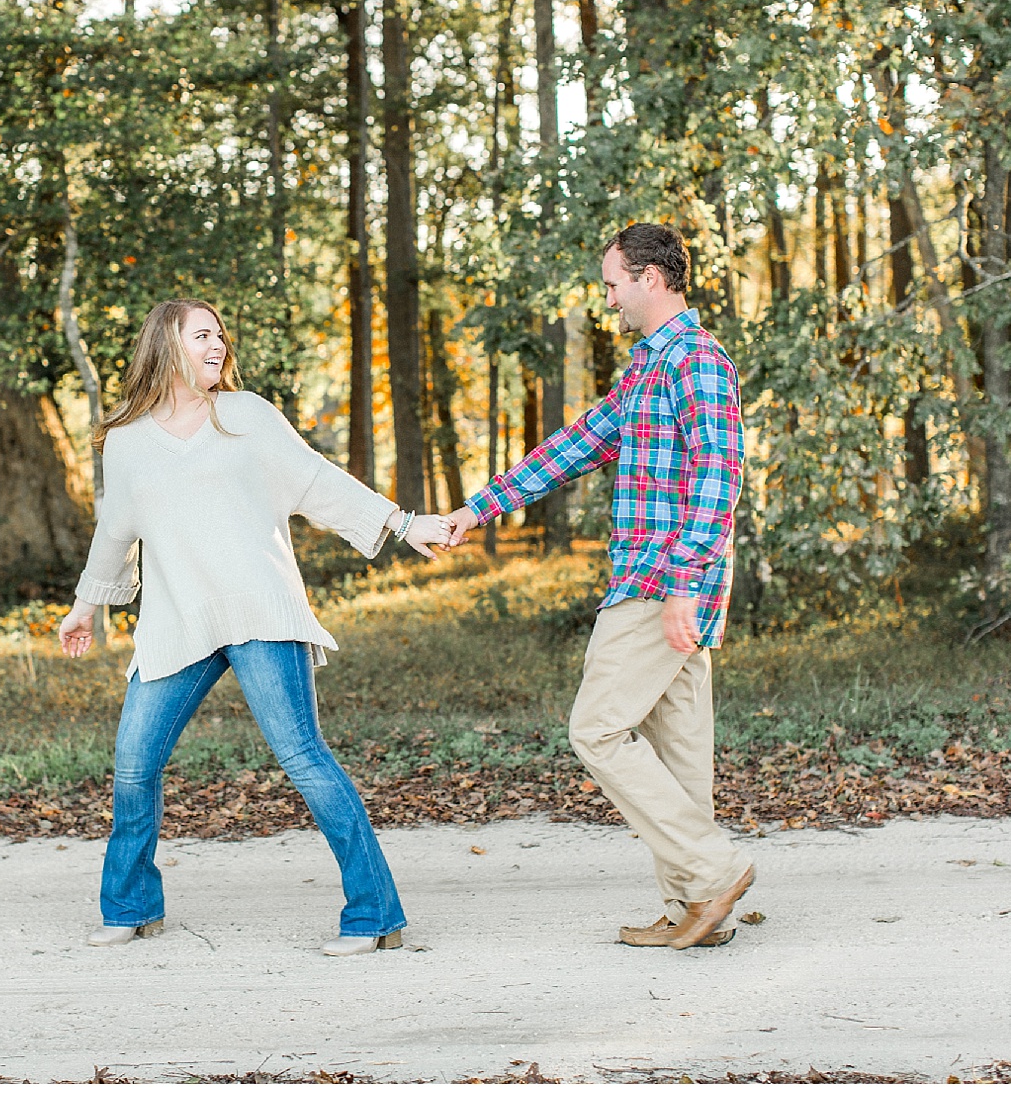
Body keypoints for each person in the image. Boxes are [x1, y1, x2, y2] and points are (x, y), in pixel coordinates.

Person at [58, 298, 455, 956]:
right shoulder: (127, 440)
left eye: (220, 335)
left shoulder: (246, 415)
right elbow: (115, 530)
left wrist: (402, 522)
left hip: (260, 610)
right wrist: (84, 605)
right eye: (202, 335)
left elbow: (317, 481)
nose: (217, 345)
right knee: (133, 762)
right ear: (166, 344)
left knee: (303, 755)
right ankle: (131, 906)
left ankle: (374, 915)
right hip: (179, 619)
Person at [446, 222, 752, 951]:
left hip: (662, 579)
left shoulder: (697, 360)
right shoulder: (648, 367)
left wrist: (683, 582)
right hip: (663, 580)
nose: (608, 297)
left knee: (596, 729)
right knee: (680, 754)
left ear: (651, 278)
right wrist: (477, 508)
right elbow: (573, 446)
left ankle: (715, 869)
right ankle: (695, 907)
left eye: (614, 283)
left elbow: (720, 475)